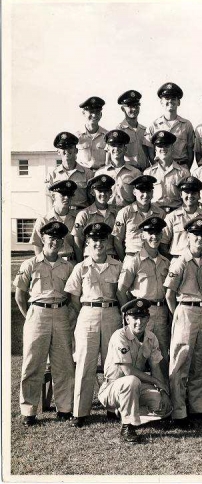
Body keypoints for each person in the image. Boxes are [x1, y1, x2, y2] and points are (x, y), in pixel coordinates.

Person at [13, 221, 75, 426]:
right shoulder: (30, 264)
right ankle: (28, 410)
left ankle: (64, 408)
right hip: (37, 313)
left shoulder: (68, 267)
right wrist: (30, 315)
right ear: (43, 239)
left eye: (58, 239)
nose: (54, 242)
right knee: (32, 363)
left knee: (63, 363)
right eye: (51, 238)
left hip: (61, 314)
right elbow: (20, 295)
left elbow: (72, 295)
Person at [64, 223, 124, 427]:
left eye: (102, 240)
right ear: (87, 243)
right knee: (84, 363)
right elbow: (73, 298)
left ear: (107, 242)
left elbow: (121, 293)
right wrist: (87, 311)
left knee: (113, 362)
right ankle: (80, 412)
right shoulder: (80, 267)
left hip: (111, 313)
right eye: (94, 240)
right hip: (87, 313)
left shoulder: (118, 265)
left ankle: (112, 407)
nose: (98, 244)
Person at [98, 298, 172, 443]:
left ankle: (125, 412)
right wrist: (156, 382)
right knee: (131, 381)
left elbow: (156, 368)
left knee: (164, 407)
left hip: (137, 387)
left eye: (143, 318)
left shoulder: (151, 337)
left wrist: (163, 392)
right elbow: (128, 371)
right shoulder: (119, 336)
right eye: (135, 318)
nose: (139, 322)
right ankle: (127, 426)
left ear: (148, 318)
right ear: (127, 319)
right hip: (113, 389)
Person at [164, 218, 202, 428]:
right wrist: (179, 315)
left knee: (201, 362)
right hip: (184, 309)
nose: (199, 240)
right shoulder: (180, 261)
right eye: (195, 236)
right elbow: (169, 294)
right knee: (180, 362)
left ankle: (200, 407)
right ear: (188, 237)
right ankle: (179, 411)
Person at [118, 217, 171, 375]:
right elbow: (121, 290)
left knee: (161, 356)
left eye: (157, 233)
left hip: (160, 313)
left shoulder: (165, 262)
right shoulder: (134, 261)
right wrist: (129, 315)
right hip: (140, 315)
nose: (154, 237)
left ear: (162, 236)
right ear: (143, 235)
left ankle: (162, 395)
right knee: (137, 356)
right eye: (150, 233)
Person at [112, 175, 166, 260]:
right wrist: (125, 261)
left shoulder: (160, 214)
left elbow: (163, 241)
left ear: (152, 193)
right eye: (142, 191)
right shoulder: (125, 212)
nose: (145, 195)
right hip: (132, 256)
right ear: (134, 192)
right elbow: (117, 240)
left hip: (153, 259)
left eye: (148, 191)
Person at [160, 176, 202, 260]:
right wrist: (173, 261)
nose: (190, 195)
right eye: (187, 192)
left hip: (201, 261)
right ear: (181, 194)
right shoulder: (172, 217)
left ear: (199, 195)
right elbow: (163, 244)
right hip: (178, 258)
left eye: (194, 193)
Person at [145, 82, 195, 168]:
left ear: (178, 102)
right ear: (161, 102)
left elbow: (190, 151)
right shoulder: (153, 126)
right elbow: (150, 153)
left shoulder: (187, 125)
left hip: (181, 168)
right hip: (161, 169)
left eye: (173, 98)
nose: (170, 101)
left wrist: (185, 169)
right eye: (167, 98)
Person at [72, 174, 118, 262]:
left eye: (106, 191)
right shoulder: (84, 214)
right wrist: (81, 264)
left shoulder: (116, 213)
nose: (103, 194)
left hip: (111, 259)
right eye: (99, 191)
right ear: (92, 192)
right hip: (90, 259)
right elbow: (78, 242)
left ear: (111, 193)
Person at [144, 130, 191, 214]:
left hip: (176, 214)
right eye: (160, 146)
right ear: (155, 149)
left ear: (172, 148)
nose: (163, 149)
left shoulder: (183, 173)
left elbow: (187, 198)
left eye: (166, 146)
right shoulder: (148, 173)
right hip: (155, 214)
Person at [31, 180, 78, 262]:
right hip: (52, 263)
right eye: (63, 194)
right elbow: (37, 244)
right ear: (53, 196)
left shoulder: (77, 218)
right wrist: (42, 264)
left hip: (72, 262)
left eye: (69, 195)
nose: (66, 198)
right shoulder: (44, 220)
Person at [46, 131, 93, 210]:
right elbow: (49, 201)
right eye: (63, 148)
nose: (67, 151)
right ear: (58, 152)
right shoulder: (52, 175)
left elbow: (92, 201)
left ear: (76, 151)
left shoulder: (88, 173)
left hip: (81, 215)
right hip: (61, 217)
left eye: (70, 147)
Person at [95, 129, 142, 209]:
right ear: (108, 149)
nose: (116, 149)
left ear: (125, 149)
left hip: (128, 213)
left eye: (120, 145)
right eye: (113, 145)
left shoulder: (135, 173)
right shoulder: (100, 173)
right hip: (106, 214)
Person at [115, 90, 152, 171]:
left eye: (136, 106)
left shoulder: (145, 130)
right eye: (130, 106)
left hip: (144, 172)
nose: (134, 109)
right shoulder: (119, 131)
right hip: (128, 172)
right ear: (122, 109)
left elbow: (151, 156)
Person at [76, 96, 108, 171]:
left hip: (101, 175)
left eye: (97, 112)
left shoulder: (107, 136)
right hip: (82, 175)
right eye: (91, 112)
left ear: (101, 114)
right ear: (83, 113)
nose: (94, 115)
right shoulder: (77, 137)